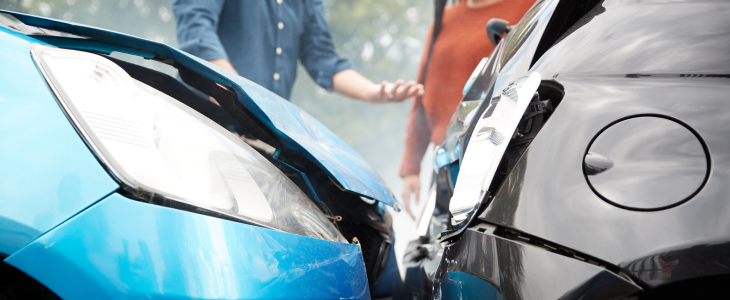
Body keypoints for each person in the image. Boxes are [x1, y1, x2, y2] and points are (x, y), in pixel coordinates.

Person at [399, 0, 535, 217]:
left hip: (499, 162)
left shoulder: (530, 6)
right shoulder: (444, 18)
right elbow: (423, 95)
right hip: (447, 165)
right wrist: (411, 167)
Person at [172, 0, 423, 103]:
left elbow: (322, 57)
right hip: (202, 119)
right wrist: (227, 86)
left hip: (262, 135)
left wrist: (372, 92)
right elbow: (196, 26)